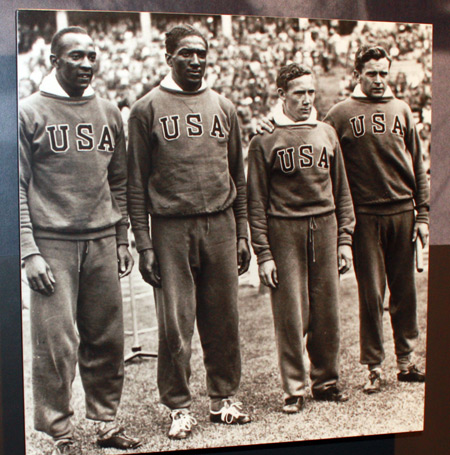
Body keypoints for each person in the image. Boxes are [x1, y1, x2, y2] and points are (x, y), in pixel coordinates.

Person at [19, 27, 141, 455]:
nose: (87, 63)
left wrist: (122, 238)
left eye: (92, 55)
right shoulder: (28, 112)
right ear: (54, 60)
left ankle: (106, 423)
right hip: (51, 242)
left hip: (103, 238)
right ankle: (60, 434)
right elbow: (14, 187)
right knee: (56, 343)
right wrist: (28, 251)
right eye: (76, 56)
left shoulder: (108, 111)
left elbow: (120, 181)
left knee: (107, 337)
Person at [127, 24, 251, 440]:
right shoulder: (146, 109)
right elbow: (135, 182)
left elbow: (239, 174)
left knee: (223, 318)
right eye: (186, 54)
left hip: (220, 221)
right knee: (175, 324)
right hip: (170, 228)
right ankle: (179, 406)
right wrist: (143, 243)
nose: (196, 60)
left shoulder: (225, 106)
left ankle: (224, 399)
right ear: (169, 58)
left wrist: (243, 231)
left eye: (201, 53)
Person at [247, 63, 355, 413]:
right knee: (290, 314)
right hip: (284, 230)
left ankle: (326, 381)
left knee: (327, 312)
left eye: (311, 92)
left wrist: (344, 239)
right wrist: (263, 253)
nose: (307, 100)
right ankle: (293, 389)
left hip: (324, 226)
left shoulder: (326, 132)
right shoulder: (265, 138)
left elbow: (342, 192)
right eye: (299, 93)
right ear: (282, 95)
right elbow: (257, 202)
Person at [324, 45, 429, 393]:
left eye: (384, 72)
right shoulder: (339, 115)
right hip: (364, 216)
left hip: (402, 209)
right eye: (372, 73)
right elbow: (324, 161)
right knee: (371, 294)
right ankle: (374, 366)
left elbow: (419, 165)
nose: (379, 79)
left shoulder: (401, 109)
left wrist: (423, 215)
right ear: (357, 75)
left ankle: (405, 361)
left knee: (405, 292)